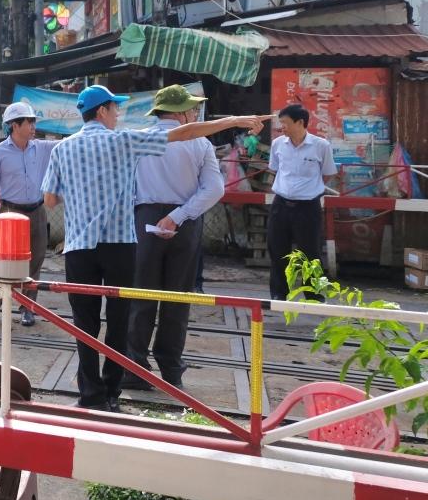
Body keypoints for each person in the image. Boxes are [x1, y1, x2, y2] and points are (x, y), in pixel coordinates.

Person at [42, 85, 266, 412]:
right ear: (102, 111)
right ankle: (121, 390)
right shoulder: (125, 141)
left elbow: (49, 199)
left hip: (82, 245)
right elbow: (187, 136)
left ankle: (92, 395)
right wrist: (234, 121)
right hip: (123, 241)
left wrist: (82, 193)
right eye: (115, 108)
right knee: (130, 316)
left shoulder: (62, 148)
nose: (118, 114)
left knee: (86, 322)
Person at [123, 85, 224, 391]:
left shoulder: (138, 138)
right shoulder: (200, 144)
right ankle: (171, 368)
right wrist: (179, 216)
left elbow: (124, 185)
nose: (195, 113)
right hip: (186, 224)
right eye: (192, 109)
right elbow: (215, 189)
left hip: (144, 220)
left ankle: (134, 367)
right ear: (180, 112)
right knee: (178, 299)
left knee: (140, 295)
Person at [0, 102, 56, 327]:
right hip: (9, 211)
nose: (33, 126)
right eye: (29, 122)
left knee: (35, 261)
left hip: (36, 211)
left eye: (33, 121)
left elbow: (66, 145)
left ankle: (27, 308)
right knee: (0, 262)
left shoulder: (42, 148)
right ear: (15, 125)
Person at [267, 104, 337, 301]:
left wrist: (309, 189)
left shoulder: (321, 146)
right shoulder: (278, 144)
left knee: (310, 253)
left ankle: (313, 295)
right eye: (281, 123)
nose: (282, 127)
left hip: (308, 207)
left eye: (286, 123)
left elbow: (328, 174)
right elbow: (275, 169)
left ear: (300, 122)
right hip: (280, 205)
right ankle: (279, 294)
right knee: (277, 250)